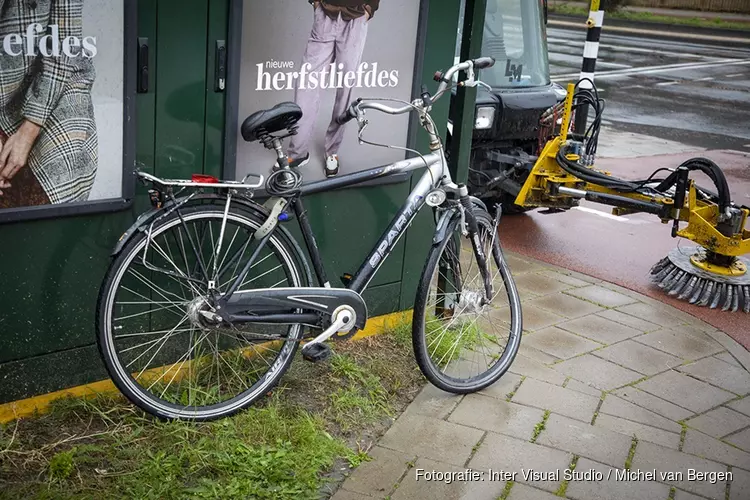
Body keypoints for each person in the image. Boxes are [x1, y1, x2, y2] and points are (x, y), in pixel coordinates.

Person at [0, 0, 98, 210]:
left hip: (53, 86)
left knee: (55, 187)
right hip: (4, 93)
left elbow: (64, 48)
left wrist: (27, 133)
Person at [286, 0, 379, 178]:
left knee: (345, 88)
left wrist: (370, 8)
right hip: (325, 13)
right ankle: (297, 152)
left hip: (356, 16)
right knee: (307, 83)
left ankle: (332, 151)